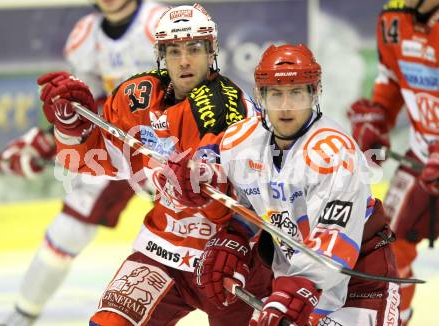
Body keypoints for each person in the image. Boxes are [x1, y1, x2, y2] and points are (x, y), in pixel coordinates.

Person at [36, 3, 272, 325]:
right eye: (174, 51)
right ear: (161, 54)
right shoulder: (138, 96)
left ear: (211, 50)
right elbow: (93, 160)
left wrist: (208, 187)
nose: (184, 60)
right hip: (162, 251)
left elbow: (267, 195)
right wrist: (71, 127)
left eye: (194, 48)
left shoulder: (232, 109)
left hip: (228, 258)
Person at [169, 44, 402, 325]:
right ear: (260, 96)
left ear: (314, 93)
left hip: (360, 280)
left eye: (296, 93)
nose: (286, 106)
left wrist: (295, 287)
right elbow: (238, 192)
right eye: (276, 94)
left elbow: (334, 240)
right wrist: (234, 235)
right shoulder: (242, 141)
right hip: (295, 279)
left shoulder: (333, 152)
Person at [0, 0, 165, 325]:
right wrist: (51, 137)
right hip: (116, 146)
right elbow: (86, 105)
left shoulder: (159, 23)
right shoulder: (85, 36)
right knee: (68, 230)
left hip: (170, 144)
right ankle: (23, 314)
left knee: (202, 227)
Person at [347, 0, 439, 324]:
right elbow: (391, 77)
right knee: (388, 251)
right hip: (423, 154)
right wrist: (379, 117)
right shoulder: (392, 19)